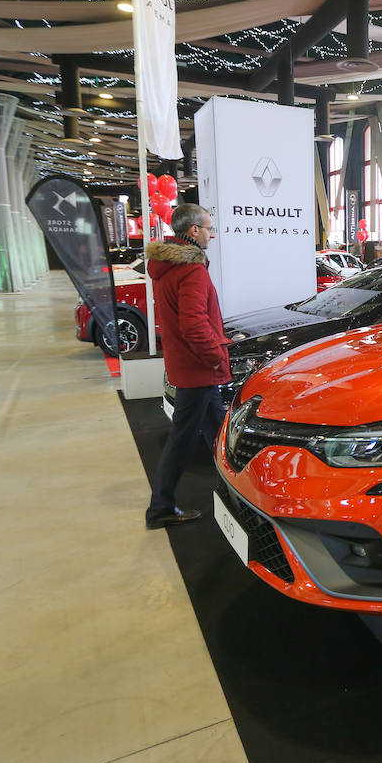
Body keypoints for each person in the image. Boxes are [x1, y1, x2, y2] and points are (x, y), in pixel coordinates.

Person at [144, 203, 230, 530]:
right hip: (198, 370)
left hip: (189, 368)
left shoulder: (166, 266)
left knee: (220, 434)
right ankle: (160, 507)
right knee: (184, 440)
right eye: (208, 228)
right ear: (193, 230)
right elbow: (194, 325)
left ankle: (235, 493)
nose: (211, 234)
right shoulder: (191, 270)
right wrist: (215, 356)